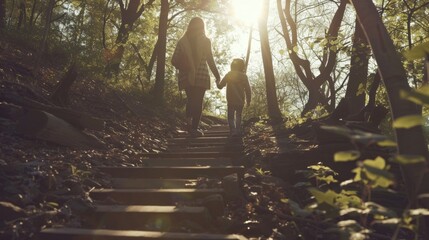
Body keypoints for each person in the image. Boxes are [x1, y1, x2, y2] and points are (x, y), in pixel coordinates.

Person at [172, 17, 221, 137]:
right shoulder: (206, 41)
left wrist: (184, 65)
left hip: (186, 75)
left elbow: (174, 60)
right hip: (201, 75)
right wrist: (217, 75)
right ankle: (194, 129)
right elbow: (210, 60)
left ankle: (189, 126)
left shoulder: (182, 41)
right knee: (198, 101)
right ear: (202, 27)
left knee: (191, 100)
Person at [217, 58, 251, 136]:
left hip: (231, 100)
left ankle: (233, 131)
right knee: (238, 116)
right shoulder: (244, 76)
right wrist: (248, 100)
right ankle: (238, 131)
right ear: (242, 66)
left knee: (231, 117)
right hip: (240, 100)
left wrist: (217, 81)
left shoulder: (229, 75)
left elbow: (220, 86)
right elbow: (248, 90)